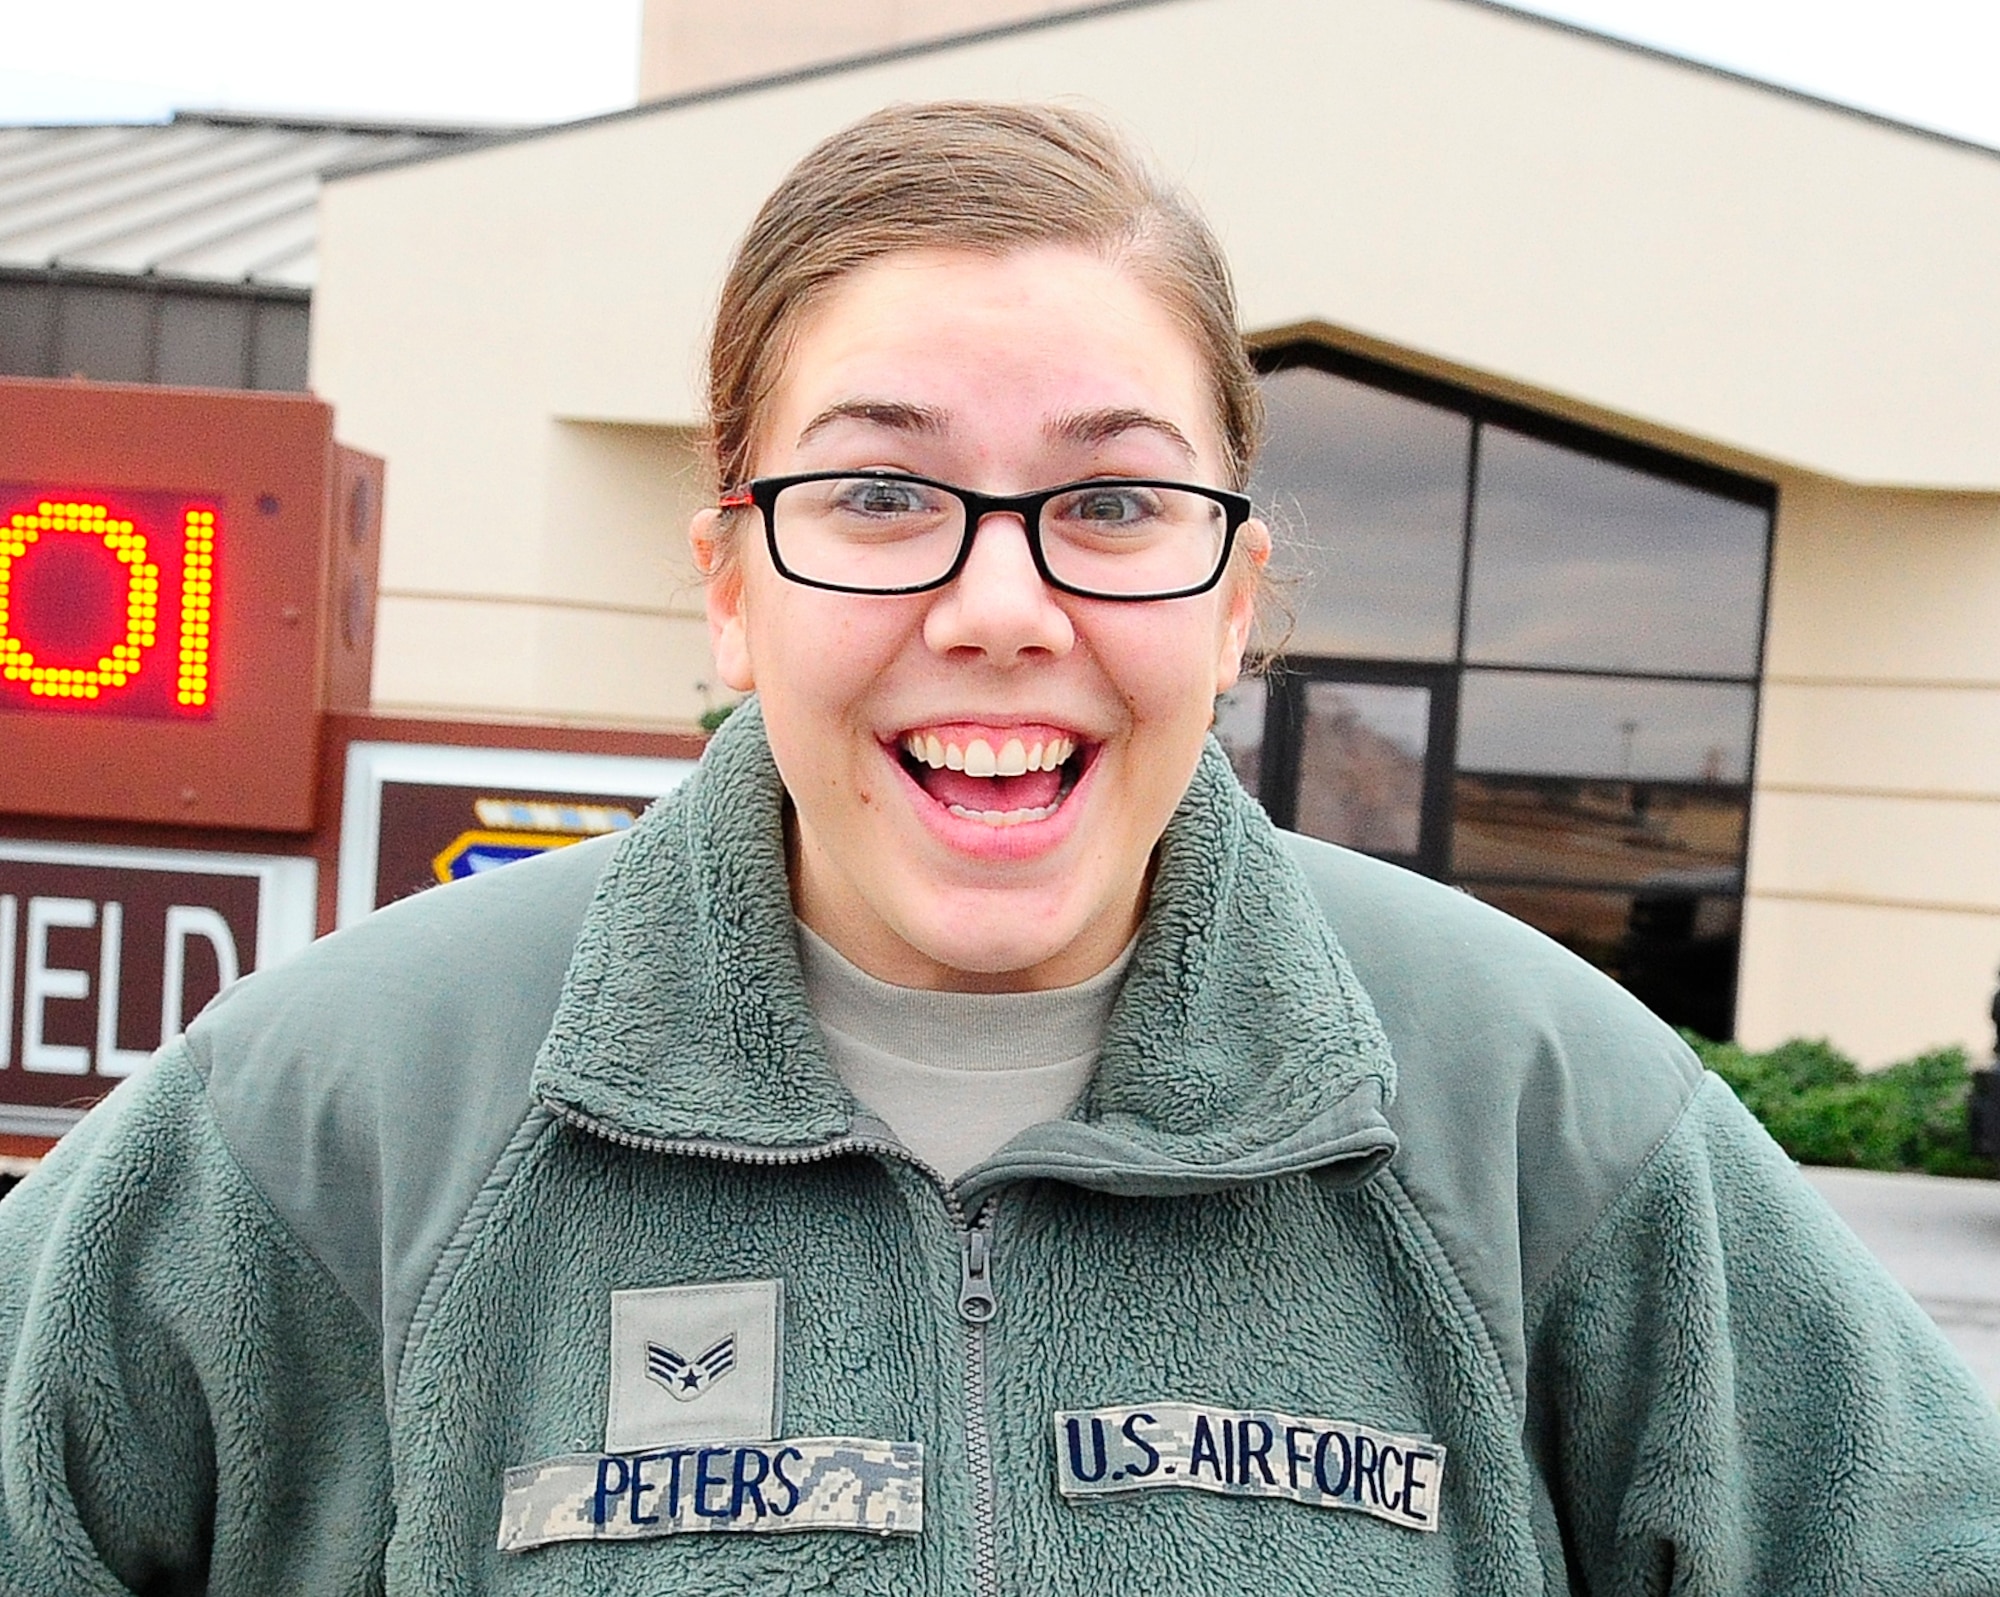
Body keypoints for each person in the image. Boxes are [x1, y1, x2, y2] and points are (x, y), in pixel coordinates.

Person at [0, 101, 1996, 1596]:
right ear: (725, 584)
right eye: (879, 490)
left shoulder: (1532, 1114)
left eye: (1112, 505)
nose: (998, 605)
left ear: (1233, 598)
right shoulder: (340, 1113)